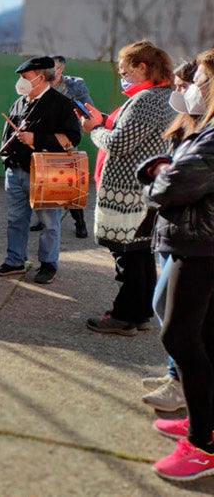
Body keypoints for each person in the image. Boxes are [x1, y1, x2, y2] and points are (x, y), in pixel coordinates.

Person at [138, 70, 214, 480]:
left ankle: (204, 446)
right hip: (197, 243)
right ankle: (205, 425)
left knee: (180, 337)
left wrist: (155, 179)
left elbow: (173, 186)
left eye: (200, 82)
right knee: (201, 337)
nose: (191, 90)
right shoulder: (205, 130)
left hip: (200, 246)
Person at [82, 40, 176, 335]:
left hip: (128, 192)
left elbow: (120, 143)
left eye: (125, 70)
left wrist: (95, 129)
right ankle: (141, 313)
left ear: (142, 67)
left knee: (127, 255)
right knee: (139, 253)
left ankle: (124, 315)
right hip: (142, 189)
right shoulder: (163, 96)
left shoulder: (147, 99)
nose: (122, 76)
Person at [141, 59, 203, 413]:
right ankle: (175, 376)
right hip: (174, 229)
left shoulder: (206, 134)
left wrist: (159, 179)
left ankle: (185, 385)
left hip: (193, 236)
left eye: (186, 85)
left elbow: (171, 183)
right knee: (168, 311)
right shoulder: (189, 126)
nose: (179, 93)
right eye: (178, 86)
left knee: (176, 316)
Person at [0, 56, 81, 284]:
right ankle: (14, 261)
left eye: (25, 77)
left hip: (46, 173)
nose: (21, 81)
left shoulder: (60, 104)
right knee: (16, 219)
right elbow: (6, 136)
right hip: (16, 171)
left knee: (49, 222)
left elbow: (72, 137)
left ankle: (49, 265)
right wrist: (7, 160)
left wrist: (36, 138)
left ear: (40, 77)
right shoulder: (19, 102)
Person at [37, 55, 92, 238]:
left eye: (50, 68)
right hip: (43, 138)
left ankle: (80, 222)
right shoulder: (39, 82)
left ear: (60, 70)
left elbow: (87, 109)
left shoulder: (75, 85)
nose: (45, 72)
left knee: (71, 182)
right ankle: (42, 219)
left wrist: (70, 133)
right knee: (41, 180)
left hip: (66, 138)